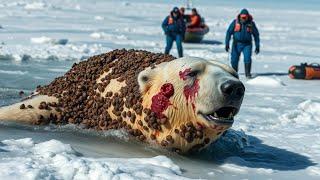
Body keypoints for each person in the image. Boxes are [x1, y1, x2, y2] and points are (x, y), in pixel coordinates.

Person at [225, 9, 260, 79]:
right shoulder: (235, 23)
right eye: (242, 17)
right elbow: (229, 32)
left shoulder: (251, 24)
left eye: (245, 17)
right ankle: (234, 73)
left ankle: (248, 74)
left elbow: (256, 35)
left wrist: (257, 46)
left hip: (247, 44)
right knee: (234, 59)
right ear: (240, 16)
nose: (243, 18)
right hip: (236, 44)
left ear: (247, 17)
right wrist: (227, 44)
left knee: (247, 59)